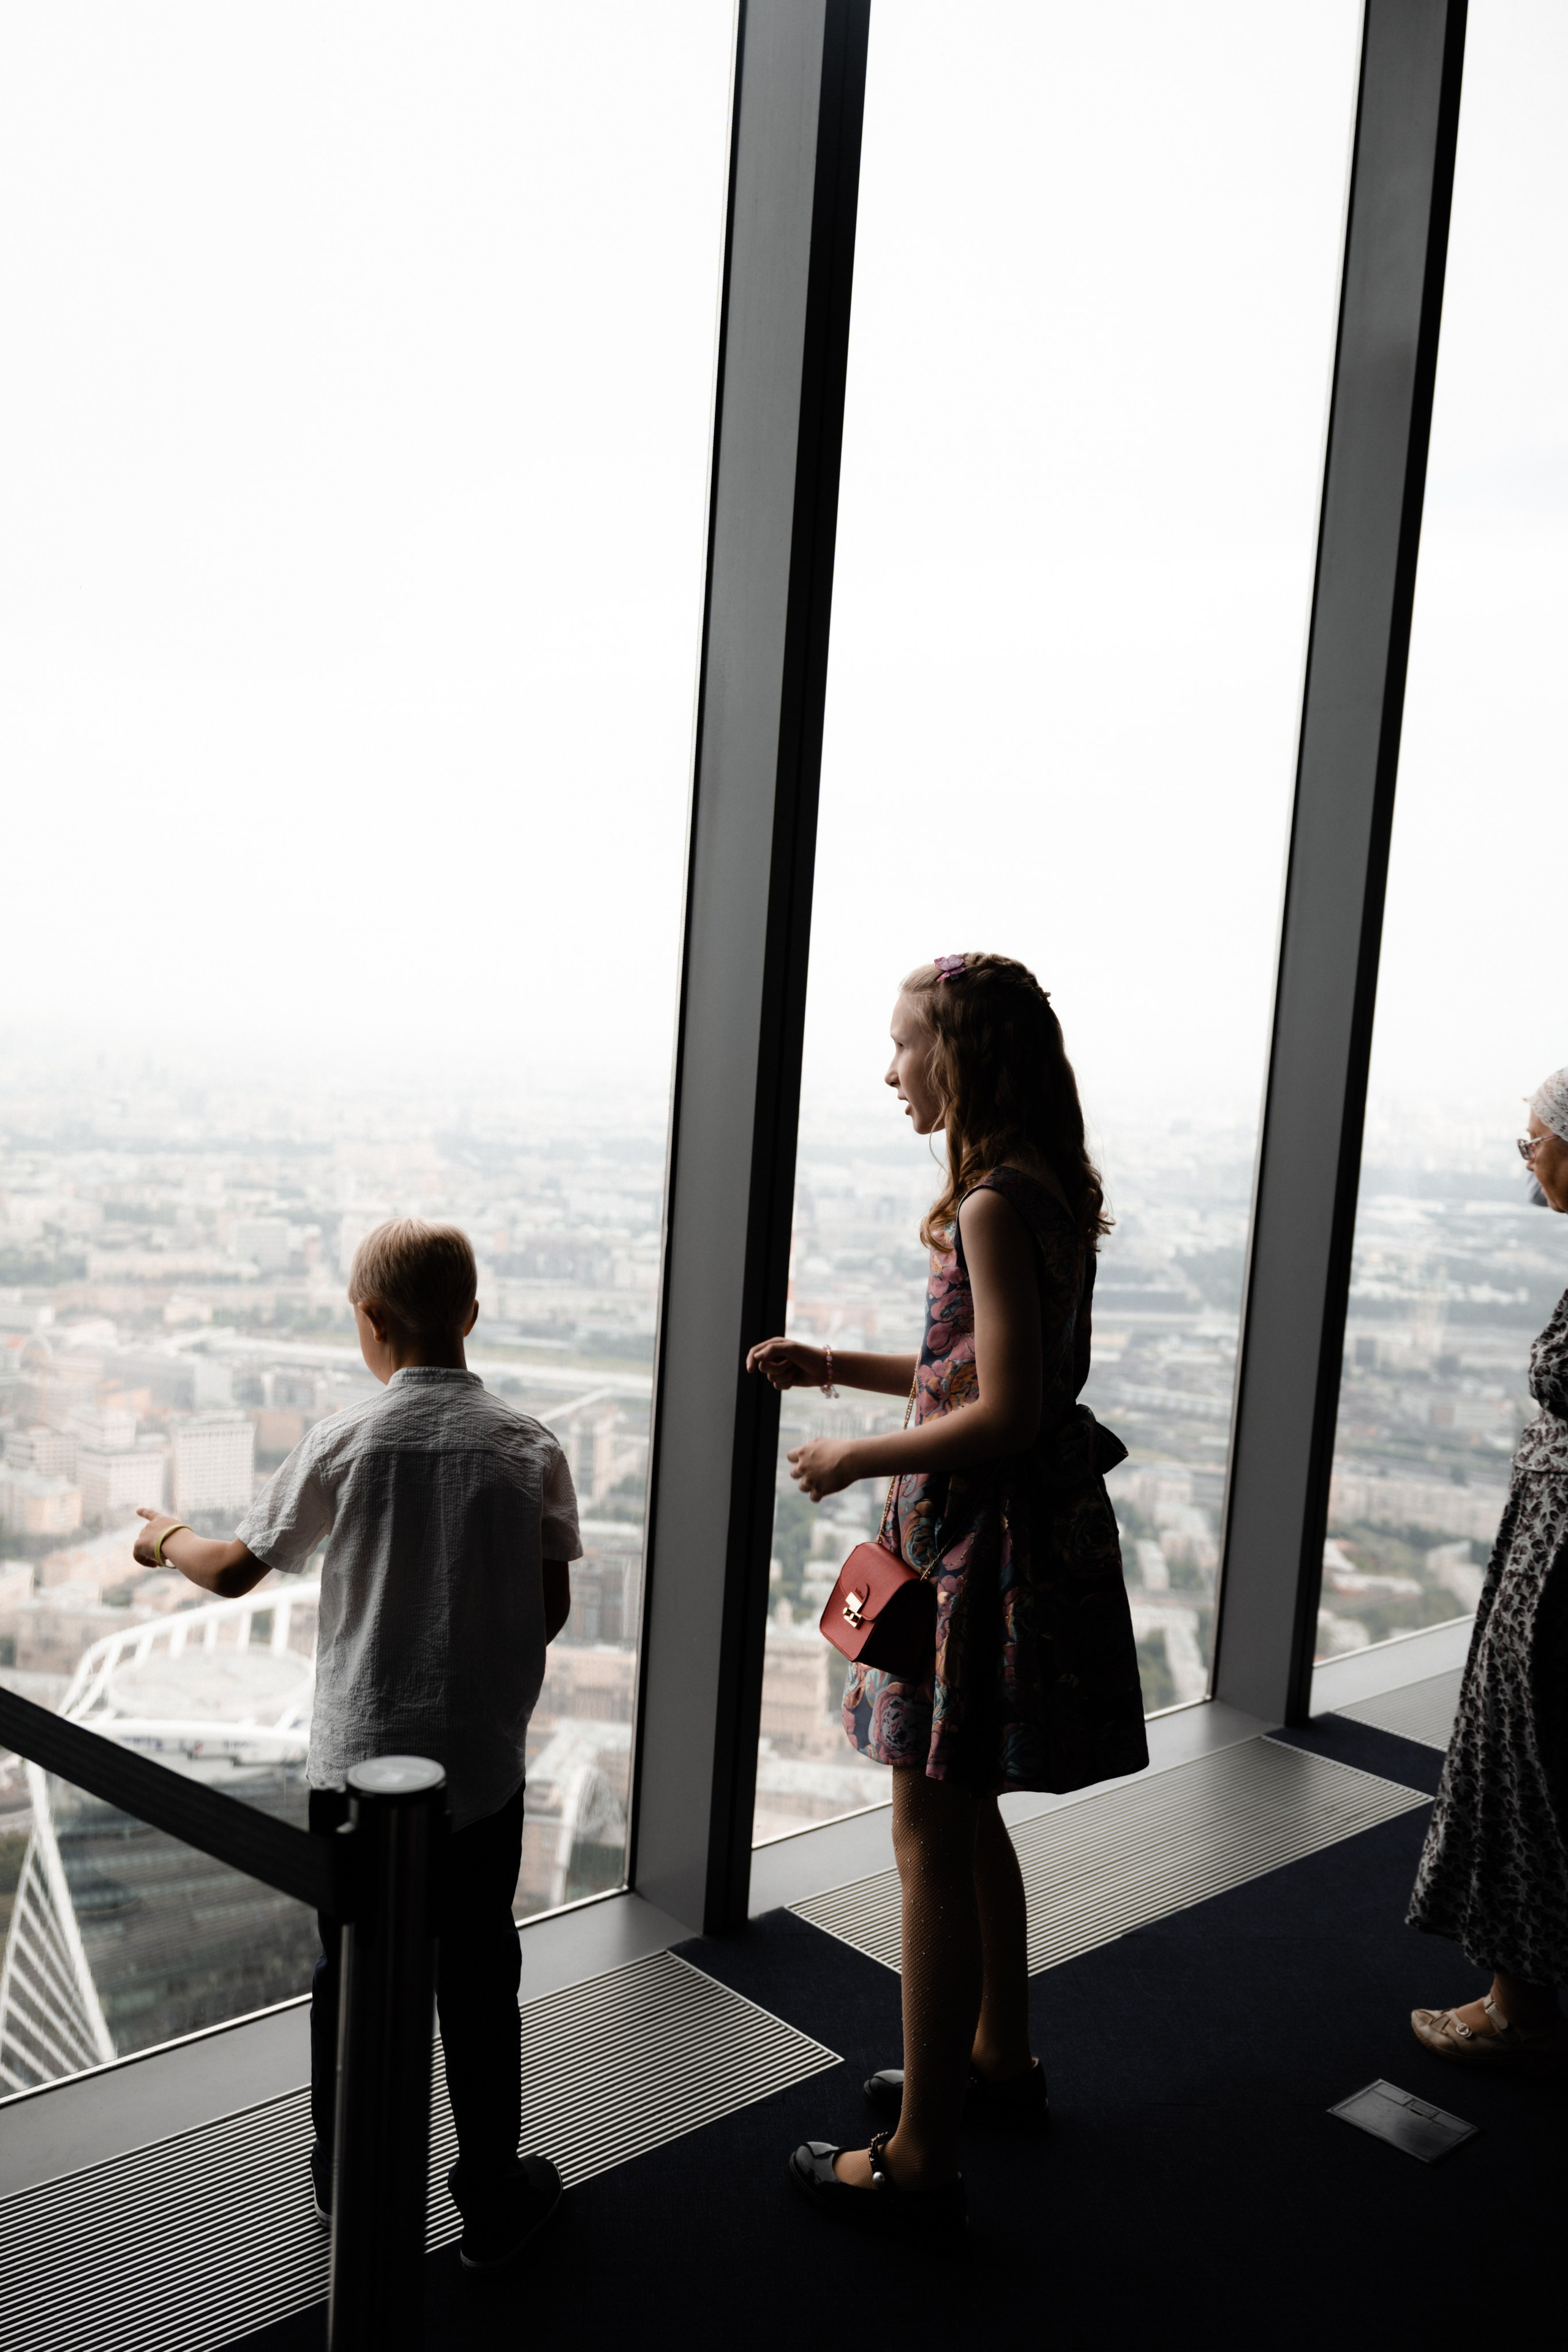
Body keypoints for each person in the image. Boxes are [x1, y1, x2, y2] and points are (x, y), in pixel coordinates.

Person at [748, 954, 1147, 2233]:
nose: (890, 1072)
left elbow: (1005, 1411)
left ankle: (921, 2155)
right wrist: (836, 1364)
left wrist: (853, 1456)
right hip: (1003, 1533)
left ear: (958, 1057)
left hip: (971, 1546)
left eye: (904, 1045)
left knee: (925, 1835)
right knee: (968, 1819)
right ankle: (996, 2059)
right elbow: (972, 1370)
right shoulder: (1044, 1188)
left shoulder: (986, 1203)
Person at [133, 1216, 581, 2267]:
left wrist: (162, 1539)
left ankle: (349, 2186)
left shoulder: (346, 1440)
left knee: (355, 1978)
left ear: (370, 1321)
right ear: (472, 1315)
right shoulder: (528, 1445)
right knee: (480, 1977)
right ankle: (491, 2198)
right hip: (481, 1774)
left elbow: (235, 1570)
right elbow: (551, 1607)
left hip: (356, 1772)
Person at [1408, 1069, 1568, 2066]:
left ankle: (1517, 2006)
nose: (1527, 1162)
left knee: (1524, 1752)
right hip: (1549, 1535)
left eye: (1533, 1142)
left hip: (1560, 1557)